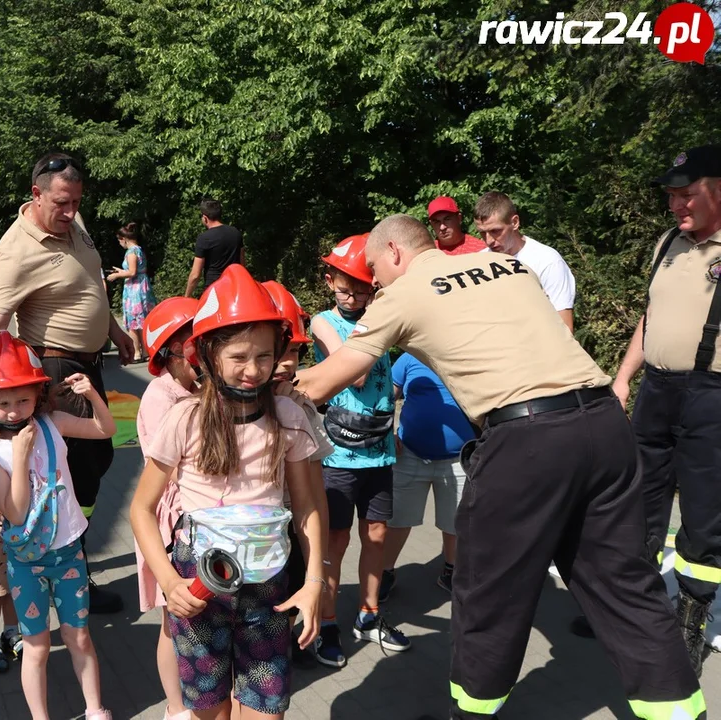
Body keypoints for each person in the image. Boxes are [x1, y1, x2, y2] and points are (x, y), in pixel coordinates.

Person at [294, 213, 704, 720]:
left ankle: (470, 714)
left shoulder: (401, 293)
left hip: (527, 441)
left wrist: (245, 391)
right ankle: (682, 712)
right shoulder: (505, 265)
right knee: (626, 586)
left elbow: (322, 384)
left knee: (489, 594)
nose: (373, 281)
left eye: (375, 268)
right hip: (604, 425)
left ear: (395, 252)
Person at [130, 265, 324, 720]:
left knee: (266, 711)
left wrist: (315, 581)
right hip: (199, 590)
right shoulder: (183, 418)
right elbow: (141, 509)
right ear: (208, 353)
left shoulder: (288, 418)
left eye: (264, 355)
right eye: (238, 356)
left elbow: (309, 509)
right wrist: (169, 582)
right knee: (209, 713)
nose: (253, 370)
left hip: (270, 590)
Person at [0, 152, 135, 615]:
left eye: (76, 201)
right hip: (54, 370)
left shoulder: (73, 225)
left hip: (88, 364)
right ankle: (68, 573)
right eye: (61, 202)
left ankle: (71, 565)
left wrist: (113, 330)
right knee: (71, 470)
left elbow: (91, 282)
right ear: (35, 195)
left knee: (95, 461)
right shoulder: (18, 250)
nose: (71, 211)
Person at [598, 145, 721, 676]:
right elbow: (650, 318)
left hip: (713, 396)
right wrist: (624, 378)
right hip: (657, 389)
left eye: (686, 193)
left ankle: (689, 620)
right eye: (671, 194)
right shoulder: (668, 243)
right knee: (639, 499)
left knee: (703, 514)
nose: (675, 205)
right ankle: (634, 611)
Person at [0, 330, 116, 720]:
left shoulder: (53, 422)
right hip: (26, 561)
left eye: (23, 398)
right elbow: (14, 512)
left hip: (68, 553)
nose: (14, 410)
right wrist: (22, 452)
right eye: (3, 402)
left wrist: (92, 394)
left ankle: (95, 710)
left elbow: (105, 430)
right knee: (37, 646)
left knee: (79, 636)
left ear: (38, 393)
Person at [310, 234, 408, 668]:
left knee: (378, 535)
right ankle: (326, 621)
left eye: (362, 289)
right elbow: (353, 373)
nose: (350, 296)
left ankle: (369, 614)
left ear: (375, 288)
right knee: (336, 540)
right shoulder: (323, 321)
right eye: (343, 286)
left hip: (380, 451)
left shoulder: (381, 318)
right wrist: (381, 322)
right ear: (329, 279)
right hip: (338, 456)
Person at [134, 296, 200, 720]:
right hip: (171, 523)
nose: (202, 356)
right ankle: (175, 708)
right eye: (193, 349)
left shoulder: (206, 388)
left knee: (206, 621)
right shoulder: (161, 398)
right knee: (173, 622)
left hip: (205, 520)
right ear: (167, 356)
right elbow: (175, 474)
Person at [262, 280, 334, 668]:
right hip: (246, 537)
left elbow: (315, 491)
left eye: (294, 351)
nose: (288, 362)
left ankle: (291, 643)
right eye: (279, 352)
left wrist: (317, 564)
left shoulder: (301, 409)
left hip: (290, 529)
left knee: (289, 592)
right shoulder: (220, 411)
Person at [381, 352, 473, 597]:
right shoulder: (410, 358)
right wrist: (387, 432)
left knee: (455, 522)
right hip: (409, 453)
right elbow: (385, 397)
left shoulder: (470, 354)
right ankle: (385, 572)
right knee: (398, 519)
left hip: (459, 456)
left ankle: (451, 572)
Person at [473, 192, 576, 332]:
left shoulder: (547, 260)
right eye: (482, 232)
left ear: (514, 222)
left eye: (495, 231)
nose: (489, 240)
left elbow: (565, 328)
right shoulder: (479, 263)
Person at [107, 222, 157, 362]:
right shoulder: (139, 249)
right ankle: (146, 351)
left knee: (134, 321)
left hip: (135, 289)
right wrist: (122, 271)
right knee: (141, 320)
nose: (119, 243)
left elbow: (132, 272)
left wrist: (117, 275)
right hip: (141, 286)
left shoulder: (131, 252)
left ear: (124, 239)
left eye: (119, 240)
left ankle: (137, 352)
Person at [184, 198, 244, 298]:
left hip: (213, 292)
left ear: (205, 218)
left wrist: (186, 296)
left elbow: (195, 275)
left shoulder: (204, 238)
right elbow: (242, 265)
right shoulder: (236, 233)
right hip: (234, 289)